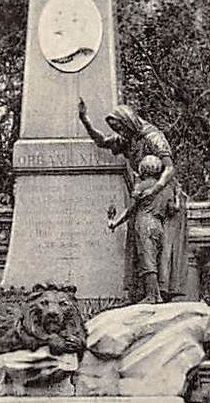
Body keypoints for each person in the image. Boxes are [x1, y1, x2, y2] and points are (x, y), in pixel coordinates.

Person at [79, 99, 189, 302]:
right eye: (114, 128)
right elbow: (102, 141)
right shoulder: (128, 138)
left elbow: (170, 167)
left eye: (118, 126)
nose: (117, 131)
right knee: (144, 247)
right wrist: (85, 120)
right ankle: (148, 293)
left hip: (163, 193)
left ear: (127, 121)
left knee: (161, 250)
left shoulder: (153, 137)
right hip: (147, 196)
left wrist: (155, 189)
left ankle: (158, 294)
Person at [106, 155, 167, 303]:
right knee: (154, 258)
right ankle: (156, 294)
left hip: (144, 222)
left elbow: (130, 210)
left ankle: (153, 296)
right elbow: (172, 208)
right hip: (159, 225)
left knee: (147, 259)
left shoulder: (142, 186)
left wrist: (114, 222)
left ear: (144, 169)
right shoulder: (164, 188)